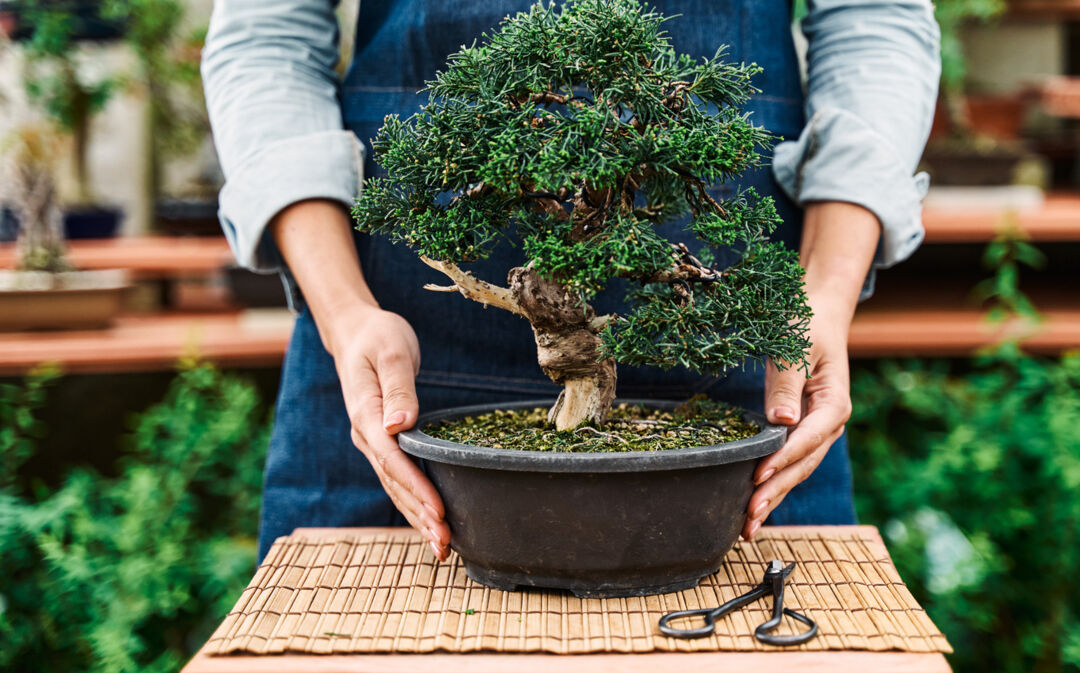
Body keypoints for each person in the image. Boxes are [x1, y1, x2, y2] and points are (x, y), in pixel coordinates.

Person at [202, 0, 940, 563]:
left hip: (736, 367)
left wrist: (825, 292)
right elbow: (267, 35)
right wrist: (343, 310)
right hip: (389, 365)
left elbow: (875, 18)